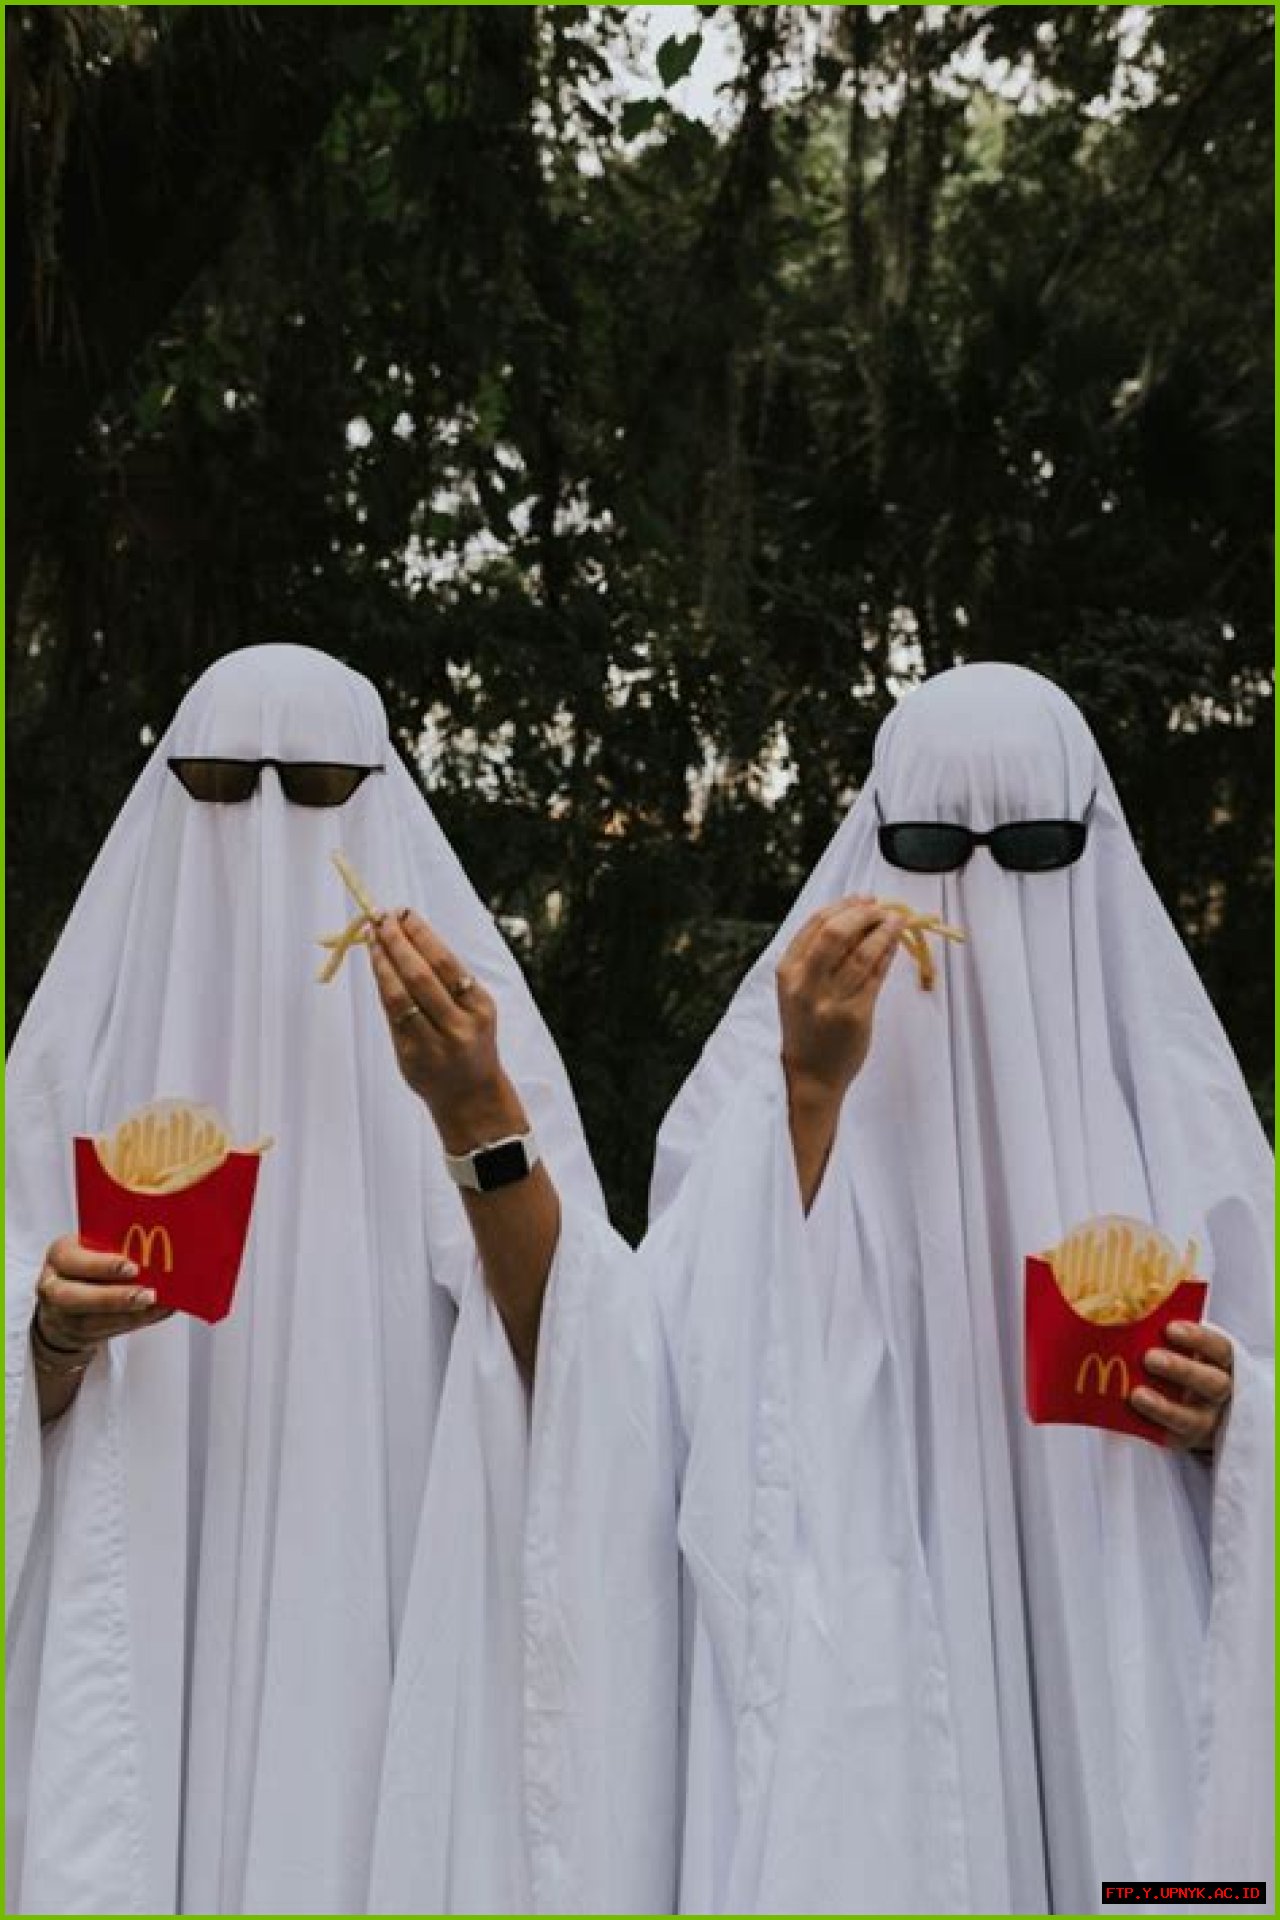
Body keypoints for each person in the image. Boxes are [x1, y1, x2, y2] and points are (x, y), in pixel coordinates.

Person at [528, 662, 1272, 1913]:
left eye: (1031, 849)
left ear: (1087, 844)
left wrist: (1231, 1409)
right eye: (929, 846)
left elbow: (1254, 1339)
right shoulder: (774, 1070)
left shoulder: (1170, 1095)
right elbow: (665, 1364)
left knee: (1138, 1848)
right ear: (874, 839)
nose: (975, 889)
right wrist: (811, 1092)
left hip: (1114, 1586)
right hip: (880, 1605)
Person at [5, 643, 643, 1915]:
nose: (268, 822)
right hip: (143, 1581)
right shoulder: (83, 1038)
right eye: (221, 781)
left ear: (379, 798)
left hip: (394, 1555)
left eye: (318, 784)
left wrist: (472, 1108)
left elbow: (575, 1355)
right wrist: (49, 1340)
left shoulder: (467, 1033)